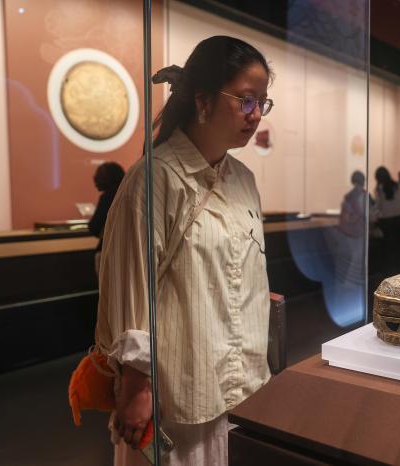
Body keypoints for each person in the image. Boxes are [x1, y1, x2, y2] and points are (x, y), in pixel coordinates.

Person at [94, 36, 274, 465]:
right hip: (176, 400)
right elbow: (130, 288)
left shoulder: (243, 180)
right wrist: (137, 385)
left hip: (240, 384)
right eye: (246, 101)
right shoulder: (154, 179)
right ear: (203, 101)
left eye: (262, 103)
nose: (255, 115)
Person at [88, 162, 125, 276]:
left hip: (108, 251)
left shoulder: (107, 197)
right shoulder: (127, 193)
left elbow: (94, 227)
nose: (95, 180)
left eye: (99, 176)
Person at [374, 166, 400, 274]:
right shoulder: (399, 185)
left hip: (386, 222)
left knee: (389, 249)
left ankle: (391, 273)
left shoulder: (379, 190)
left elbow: (377, 207)